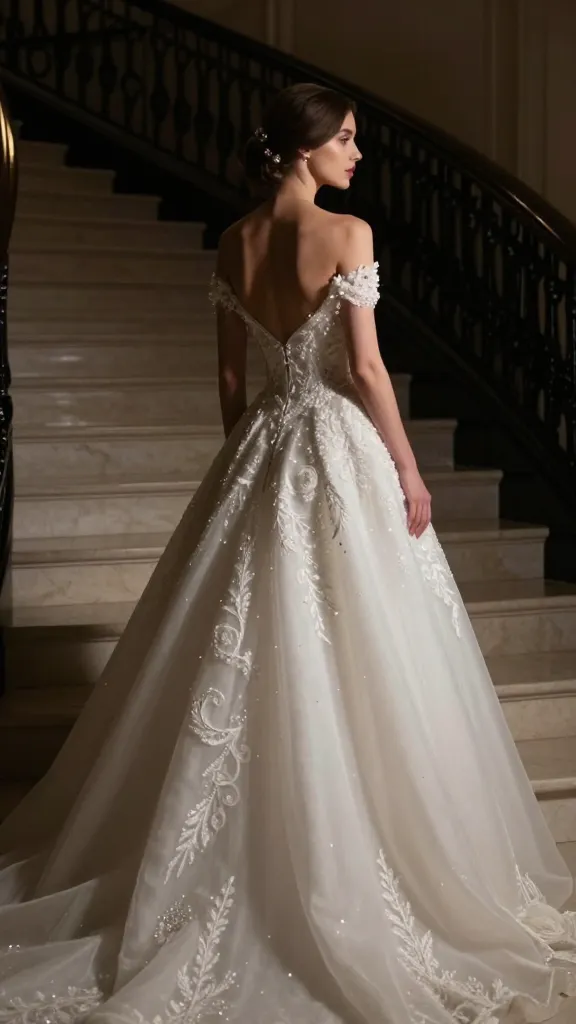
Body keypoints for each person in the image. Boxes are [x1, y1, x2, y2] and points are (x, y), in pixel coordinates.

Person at [0, 82, 575, 1024]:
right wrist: (408, 468)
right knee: (361, 640)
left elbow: (232, 381)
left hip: (263, 447)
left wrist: (251, 464)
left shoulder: (234, 240)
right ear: (305, 148)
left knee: (253, 638)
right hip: (339, 446)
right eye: (345, 138)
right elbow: (368, 368)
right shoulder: (348, 235)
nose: (357, 154)